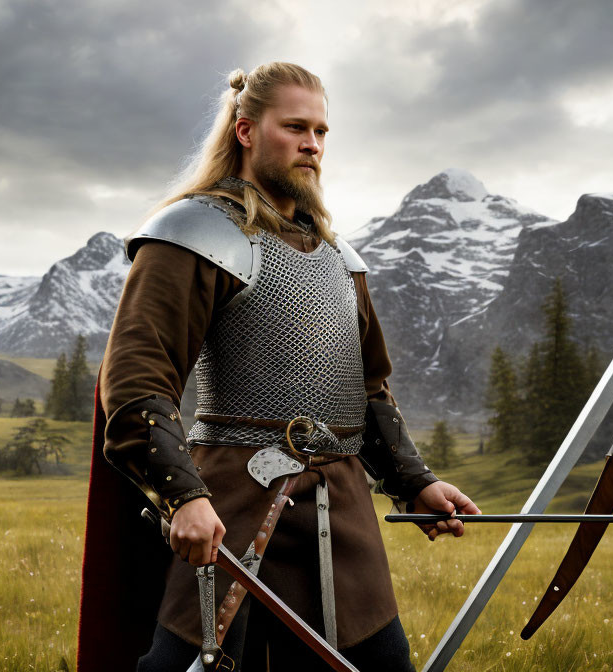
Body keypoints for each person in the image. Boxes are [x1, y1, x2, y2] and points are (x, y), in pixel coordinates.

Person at [77, 61, 480, 672]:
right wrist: (183, 496)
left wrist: (413, 481)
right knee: (187, 666)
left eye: (321, 131)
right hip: (230, 502)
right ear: (245, 130)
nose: (312, 145)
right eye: (295, 127)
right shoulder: (194, 233)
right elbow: (138, 376)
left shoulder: (340, 257)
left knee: (380, 662)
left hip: (342, 508)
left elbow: (367, 389)